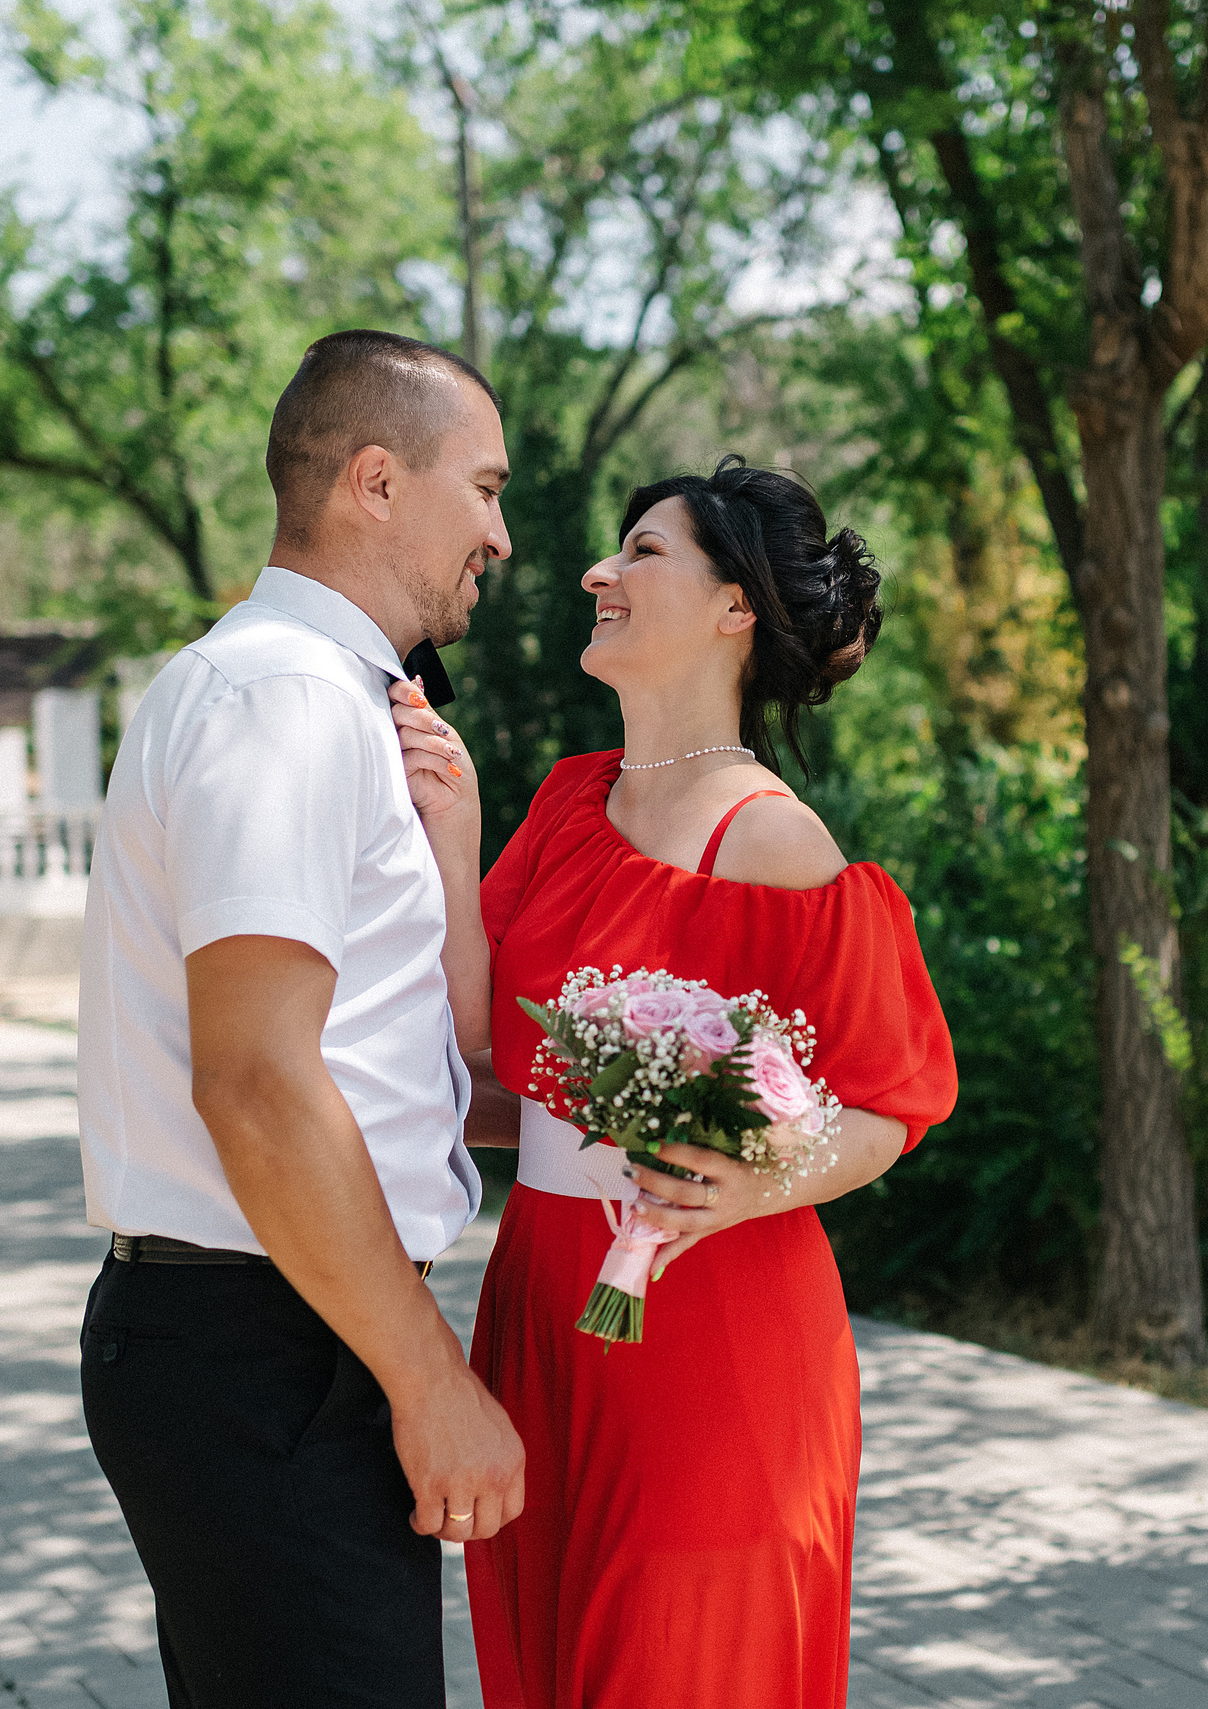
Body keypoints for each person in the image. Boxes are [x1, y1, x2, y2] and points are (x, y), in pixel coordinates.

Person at [392, 455, 958, 1709]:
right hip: (544, 1306)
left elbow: (892, 1101)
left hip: (713, 1330)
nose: (598, 570)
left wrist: (747, 1183)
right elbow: (482, 1040)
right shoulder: (568, 797)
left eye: (641, 551)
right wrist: (459, 830)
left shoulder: (771, 839)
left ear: (734, 606)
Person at [75, 328, 525, 1709]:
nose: (501, 536)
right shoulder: (281, 699)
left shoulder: (327, 700)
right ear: (375, 483)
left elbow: (387, 1056)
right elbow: (261, 1084)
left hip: (278, 1332)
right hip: (269, 1347)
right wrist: (428, 1376)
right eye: (488, 488)